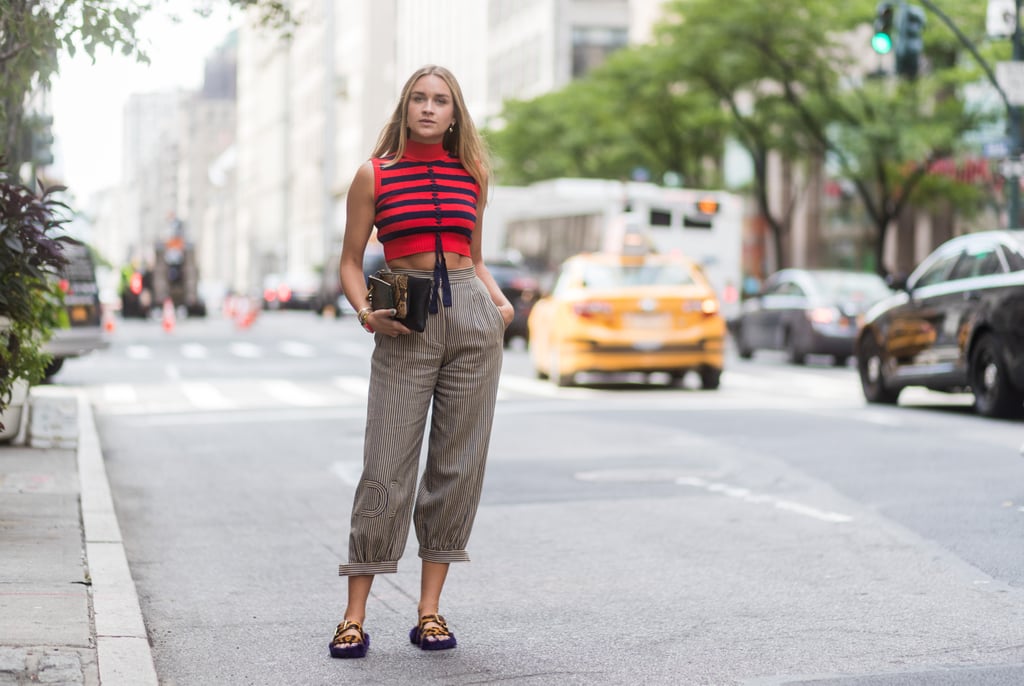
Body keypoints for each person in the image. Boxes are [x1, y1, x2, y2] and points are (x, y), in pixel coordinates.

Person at [329, 65, 514, 659]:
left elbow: (475, 256)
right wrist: (365, 311)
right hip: (404, 311)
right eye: (419, 98)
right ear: (405, 108)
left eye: (441, 101)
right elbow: (352, 262)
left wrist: (498, 300)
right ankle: (354, 615)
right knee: (386, 462)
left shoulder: (472, 174)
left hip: (472, 315)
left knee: (458, 464)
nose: (429, 108)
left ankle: (429, 611)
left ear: (455, 114)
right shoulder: (374, 174)